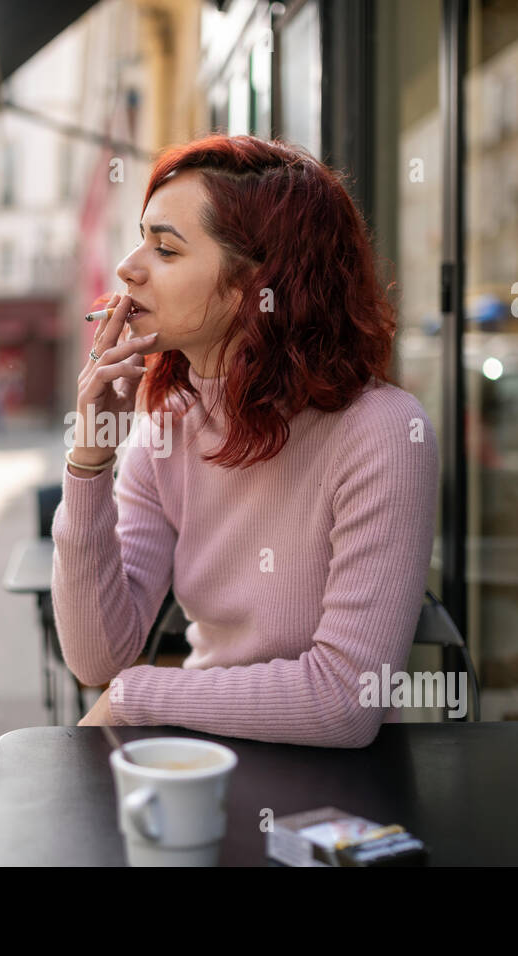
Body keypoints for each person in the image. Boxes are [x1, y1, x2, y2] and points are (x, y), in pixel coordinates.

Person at [52, 134, 440, 747]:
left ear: (252, 286)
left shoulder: (384, 432)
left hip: (338, 791)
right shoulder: (165, 426)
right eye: (141, 239)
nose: (129, 267)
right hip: (199, 759)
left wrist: (137, 697)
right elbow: (97, 657)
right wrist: (92, 456)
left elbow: (344, 700)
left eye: (165, 249)